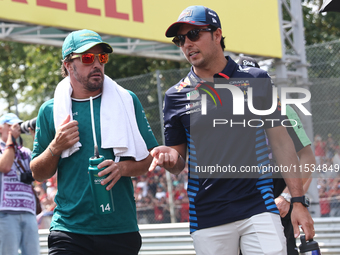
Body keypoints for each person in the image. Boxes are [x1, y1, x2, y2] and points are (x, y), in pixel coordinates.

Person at [149, 6, 314, 255]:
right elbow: (178, 162)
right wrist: (170, 158)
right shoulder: (175, 96)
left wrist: (297, 201)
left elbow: (282, 144)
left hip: (259, 207)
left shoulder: (257, 80)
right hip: (206, 214)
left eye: (194, 34)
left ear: (217, 34)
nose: (186, 44)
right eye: (180, 39)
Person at [30, 29, 158, 255]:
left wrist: (121, 168)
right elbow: (38, 173)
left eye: (102, 58)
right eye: (88, 58)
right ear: (69, 65)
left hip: (119, 229)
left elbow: (149, 159)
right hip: (69, 230)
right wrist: (56, 147)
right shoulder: (50, 111)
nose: (97, 64)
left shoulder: (127, 100)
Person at [237, 56, 316, 254]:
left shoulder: (284, 110)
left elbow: (308, 158)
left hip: (277, 205)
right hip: (238, 207)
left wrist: (288, 197)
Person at [0, 113, 40, 255]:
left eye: (16, 126)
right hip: (5, 213)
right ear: (0, 129)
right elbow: (4, 166)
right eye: (10, 126)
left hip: (28, 211)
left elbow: (39, 171)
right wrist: (11, 139)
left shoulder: (25, 151)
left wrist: (36, 137)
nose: (15, 129)